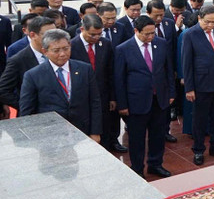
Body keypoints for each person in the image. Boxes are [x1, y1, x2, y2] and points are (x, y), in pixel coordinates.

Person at [114, 15, 175, 179]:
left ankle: (156, 164)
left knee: (158, 135)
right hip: (136, 102)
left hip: (159, 99)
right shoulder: (123, 49)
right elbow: (119, 79)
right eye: (146, 34)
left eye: (153, 33)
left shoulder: (161, 44)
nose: (150, 37)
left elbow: (168, 70)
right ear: (136, 31)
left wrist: (171, 93)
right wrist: (122, 104)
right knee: (137, 139)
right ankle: (138, 168)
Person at [19, 29, 101, 140]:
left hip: (82, 131)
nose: (62, 54)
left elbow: (95, 101)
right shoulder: (33, 75)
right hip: (49, 134)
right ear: (45, 51)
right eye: (56, 50)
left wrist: (95, 132)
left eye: (66, 49)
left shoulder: (84, 69)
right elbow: (27, 111)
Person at [182, 5, 214, 165]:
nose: (211, 25)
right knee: (200, 119)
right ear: (199, 18)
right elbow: (187, 63)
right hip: (201, 84)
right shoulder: (190, 34)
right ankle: (198, 150)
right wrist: (189, 88)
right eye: (207, 22)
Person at [69, 15, 125, 153]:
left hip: (102, 96)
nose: (96, 38)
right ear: (82, 29)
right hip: (80, 99)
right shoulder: (71, 46)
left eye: (99, 34)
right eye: (92, 34)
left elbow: (110, 72)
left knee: (104, 128)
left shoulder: (105, 44)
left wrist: (112, 97)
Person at [0, 17, 56, 118]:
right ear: (33, 35)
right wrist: (25, 104)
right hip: (33, 117)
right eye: (48, 35)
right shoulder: (18, 60)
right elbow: (3, 90)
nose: (54, 38)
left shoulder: (60, 54)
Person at [146, 0, 179, 143]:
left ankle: (165, 131)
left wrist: (175, 70)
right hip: (150, 73)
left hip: (166, 70)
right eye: (155, 16)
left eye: (161, 15)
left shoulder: (169, 23)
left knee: (165, 104)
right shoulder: (144, 26)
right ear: (148, 13)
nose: (159, 19)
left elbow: (174, 48)